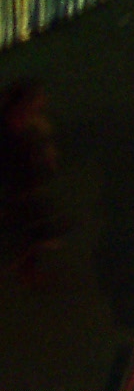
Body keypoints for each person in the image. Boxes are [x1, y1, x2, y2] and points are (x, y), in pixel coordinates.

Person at [0, 79, 67, 283]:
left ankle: (27, 270)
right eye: (38, 98)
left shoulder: (29, 123)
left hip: (24, 186)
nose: (43, 100)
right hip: (15, 189)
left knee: (29, 231)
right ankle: (24, 270)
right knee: (26, 232)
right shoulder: (10, 127)